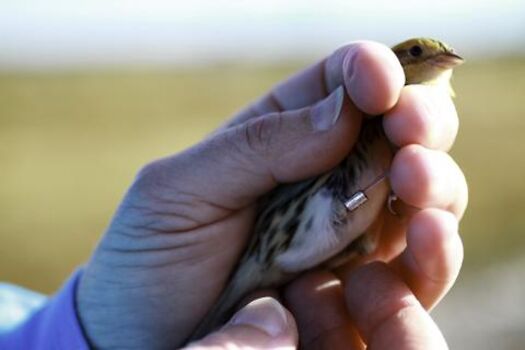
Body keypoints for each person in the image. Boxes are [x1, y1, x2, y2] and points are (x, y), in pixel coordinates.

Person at [0, 41, 467, 349]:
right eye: (416, 52)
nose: (439, 57)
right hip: (274, 251)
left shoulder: (395, 137)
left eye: (438, 53)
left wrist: (71, 334)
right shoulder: (350, 118)